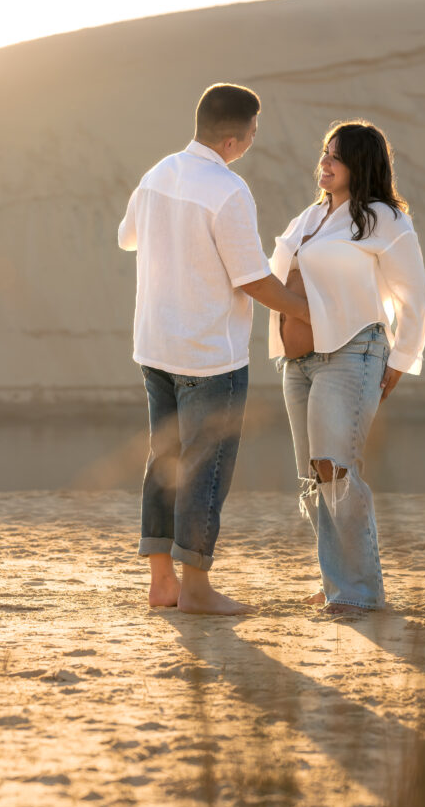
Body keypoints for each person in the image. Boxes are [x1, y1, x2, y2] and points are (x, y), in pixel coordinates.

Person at [118, 83, 309, 615]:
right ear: (235, 137)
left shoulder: (157, 174)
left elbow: (126, 238)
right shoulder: (228, 190)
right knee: (206, 468)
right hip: (208, 356)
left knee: (165, 461)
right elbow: (253, 279)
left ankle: (163, 584)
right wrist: (306, 310)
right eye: (253, 130)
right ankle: (197, 589)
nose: (252, 139)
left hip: (154, 346)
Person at [269, 120, 425, 614]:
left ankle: (358, 592)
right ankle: (337, 581)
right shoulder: (308, 218)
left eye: (336, 156)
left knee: (336, 469)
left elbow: (415, 298)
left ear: (360, 164)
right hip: (297, 363)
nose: (325, 163)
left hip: (353, 352)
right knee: (314, 476)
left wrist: (400, 362)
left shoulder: (384, 219)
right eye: (324, 153)